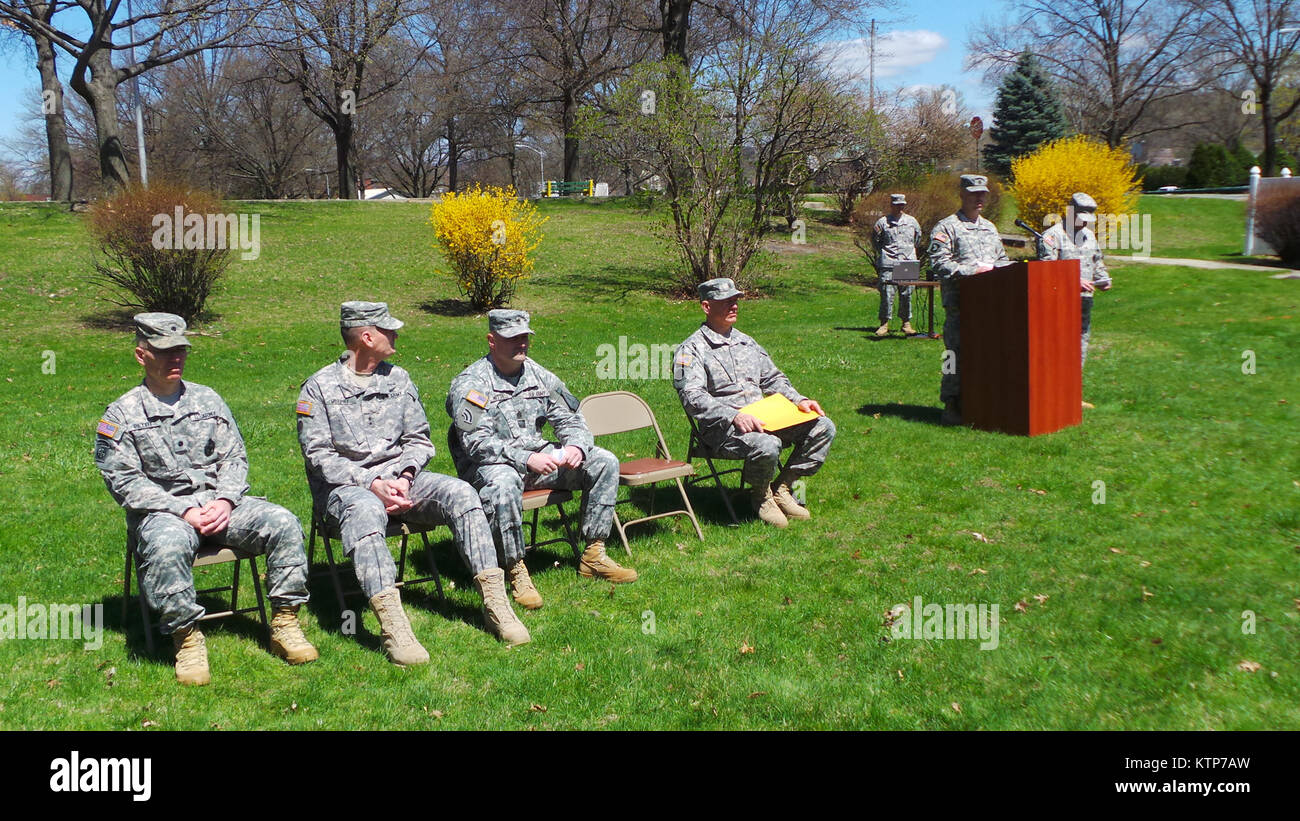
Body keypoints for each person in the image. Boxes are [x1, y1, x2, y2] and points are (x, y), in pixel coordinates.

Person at [298, 302, 529, 662]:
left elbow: (419, 439)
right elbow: (319, 457)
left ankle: (496, 604)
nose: (396, 334)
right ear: (366, 336)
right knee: (364, 511)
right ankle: (395, 628)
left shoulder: (399, 379)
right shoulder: (319, 389)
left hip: (403, 481)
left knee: (461, 493)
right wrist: (372, 483)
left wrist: (405, 477)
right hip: (347, 491)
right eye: (388, 329)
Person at [95, 313, 317, 686]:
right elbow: (124, 481)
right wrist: (184, 509)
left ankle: (285, 622)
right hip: (165, 512)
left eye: (181, 350)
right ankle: (187, 638)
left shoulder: (208, 399)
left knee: (283, 522)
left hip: (219, 504)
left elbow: (234, 458)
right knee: (165, 546)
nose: (176, 358)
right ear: (141, 355)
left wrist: (226, 501)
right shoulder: (122, 414)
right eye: (166, 351)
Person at [446, 310, 636, 611]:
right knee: (504, 482)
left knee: (603, 461)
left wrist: (576, 446)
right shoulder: (471, 385)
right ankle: (515, 568)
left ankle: (593, 554)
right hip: (489, 468)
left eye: (525, 337)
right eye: (512, 339)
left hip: (538, 461)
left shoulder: (538, 374)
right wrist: (526, 458)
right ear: (492, 340)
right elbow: (475, 444)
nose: (521, 344)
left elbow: (572, 418)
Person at [673, 278, 836, 527]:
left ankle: (782, 486)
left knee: (823, 426)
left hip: (764, 418)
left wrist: (799, 400)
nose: (734, 306)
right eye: (726, 301)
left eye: (735, 300)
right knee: (768, 444)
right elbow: (692, 397)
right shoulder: (690, 349)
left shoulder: (746, 342)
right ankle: (761, 496)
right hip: (722, 429)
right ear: (706, 306)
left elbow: (773, 378)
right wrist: (733, 415)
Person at [928, 174, 1010, 425]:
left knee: (986, 355)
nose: (979, 198)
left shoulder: (989, 228)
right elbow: (939, 264)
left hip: (989, 306)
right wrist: (973, 271)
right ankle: (951, 402)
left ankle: (981, 402)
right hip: (959, 305)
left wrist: (1005, 271)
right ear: (962, 194)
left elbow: (1002, 259)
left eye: (982, 193)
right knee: (953, 355)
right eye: (974, 193)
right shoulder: (947, 227)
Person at [1036, 192, 1112, 409]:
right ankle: (1049, 396)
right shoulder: (1052, 236)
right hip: (1057, 304)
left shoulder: (1089, 236)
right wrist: (1072, 282)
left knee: (1079, 347)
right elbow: (1045, 271)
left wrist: (1103, 279)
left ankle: (1071, 395)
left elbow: (1097, 261)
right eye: (1080, 217)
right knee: (1056, 349)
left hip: (1083, 303)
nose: (1083, 223)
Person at [872, 193, 923, 336]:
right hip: (889, 262)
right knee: (887, 294)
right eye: (897, 205)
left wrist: (909, 252)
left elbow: (917, 239)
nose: (900, 207)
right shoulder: (882, 222)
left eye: (902, 205)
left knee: (907, 293)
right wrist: (886, 253)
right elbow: (875, 241)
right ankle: (884, 324)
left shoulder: (912, 222)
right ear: (891, 205)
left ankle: (906, 323)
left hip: (907, 262)